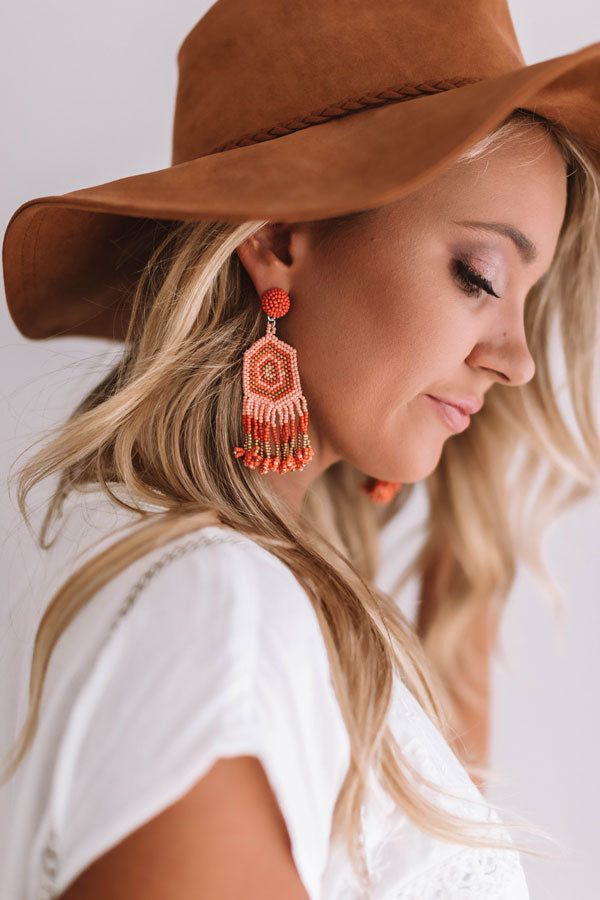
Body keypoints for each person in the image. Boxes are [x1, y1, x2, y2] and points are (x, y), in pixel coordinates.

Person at [1, 1, 600, 897]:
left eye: (528, 296)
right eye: (480, 276)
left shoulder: (201, 580)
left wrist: (466, 569)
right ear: (278, 237)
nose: (517, 361)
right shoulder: (221, 616)